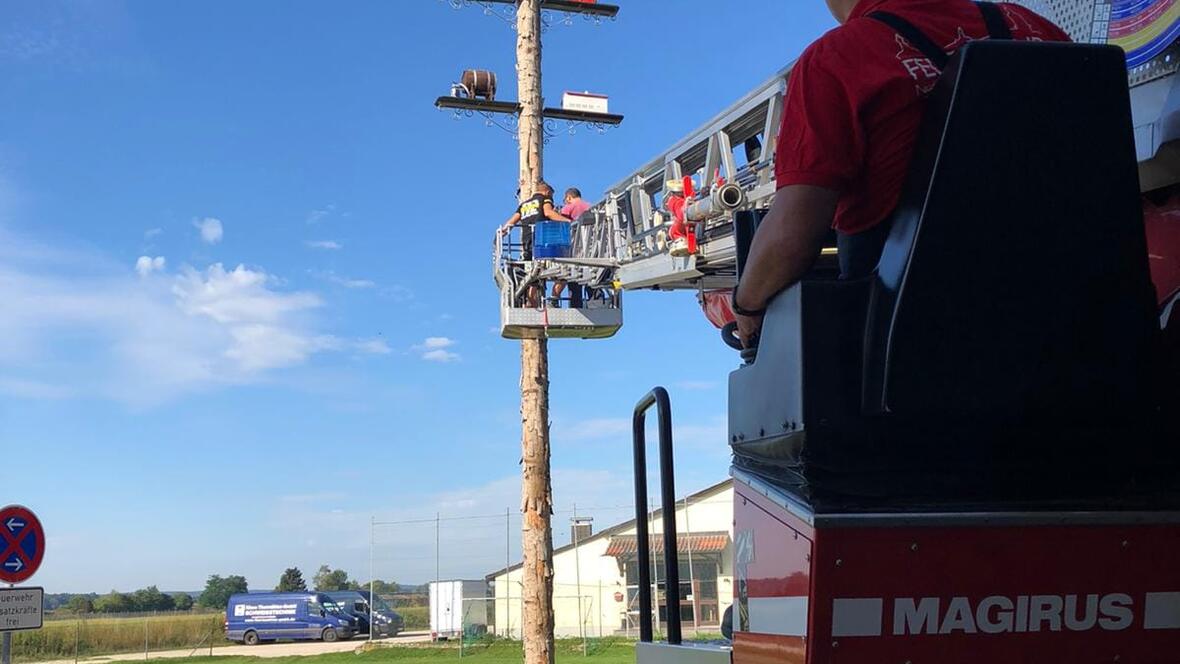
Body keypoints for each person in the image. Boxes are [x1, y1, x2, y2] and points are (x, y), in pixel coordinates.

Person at [731, 0, 1069, 345]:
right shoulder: (1032, 27)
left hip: (920, 349)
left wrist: (745, 304)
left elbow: (792, 235)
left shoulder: (835, 59)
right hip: (1078, 321)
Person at [502, 182, 570, 306]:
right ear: (547, 192)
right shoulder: (545, 199)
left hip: (527, 244)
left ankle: (532, 304)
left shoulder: (524, 205)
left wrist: (502, 234)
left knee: (533, 278)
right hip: (542, 244)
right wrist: (568, 222)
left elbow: (511, 223)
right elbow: (549, 213)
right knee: (564, 272)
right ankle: (554, 298)